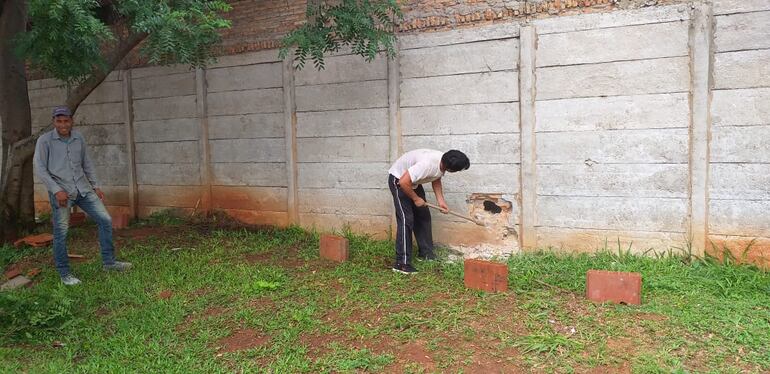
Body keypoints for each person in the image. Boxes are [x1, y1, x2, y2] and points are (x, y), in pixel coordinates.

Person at [33, 106, 132, 285]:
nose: (63, 124)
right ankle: (64, 273)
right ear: (54, 122)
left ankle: (109, 262)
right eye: (59, 121)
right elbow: (40, 169)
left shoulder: (79, 138)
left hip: (83, 189)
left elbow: (87, 163)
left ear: (72, 121)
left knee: (105, 220)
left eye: (66, 121)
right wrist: (56, 190)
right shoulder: (44, 141)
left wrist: (95, 185)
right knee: (61, 232)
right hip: (62, 193)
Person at [388, 149, 470, 274]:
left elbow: (436, 177)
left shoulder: (442, 162)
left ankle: (426, 253)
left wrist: (441, 201)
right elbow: (403, 182)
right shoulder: (426, 165)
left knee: (423, 216)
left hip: (412, 181)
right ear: (450, 168)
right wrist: (415, 199)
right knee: (406, 219)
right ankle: (402, 263)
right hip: (399, 181)